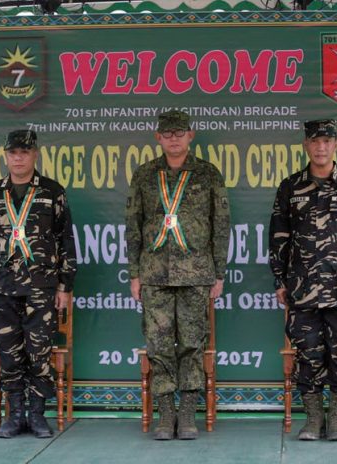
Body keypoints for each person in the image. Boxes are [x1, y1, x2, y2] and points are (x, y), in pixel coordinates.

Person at [268, 119, 337, 441]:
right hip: (302, 290)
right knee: (308, 356)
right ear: (306, 145)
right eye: (315, 141)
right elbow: (278, 238)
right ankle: (314, 419)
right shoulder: (290, 188)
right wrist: (279, 280)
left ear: (335, 144)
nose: (320, 147)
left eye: (326, 141)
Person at [125, 110, 230, 440]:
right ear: (158, 138)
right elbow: (133, 228)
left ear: (191, 135)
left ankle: (187, 415)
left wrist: (219, 273)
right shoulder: (144, 175)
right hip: (154, 275)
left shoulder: (208, 174)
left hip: (197, 274)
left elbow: (221, 226)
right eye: (167, 133)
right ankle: (165, 414)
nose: (173, 138)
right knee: (158, 346)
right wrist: (134, 274)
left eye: (179, 132)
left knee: (192, 345)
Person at [0, 129, 77, 439]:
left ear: (35, 154)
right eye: (13, 152)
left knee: (39, 352)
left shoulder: (52, 192)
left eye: (24, 152)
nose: (18, 157)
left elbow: (65, 240)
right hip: (2, 287)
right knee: (9, 353)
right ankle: (16, 415)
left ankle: (37, 415)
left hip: (41, 287)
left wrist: (65, 286)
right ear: (6, 156)